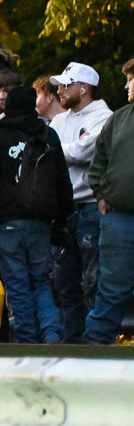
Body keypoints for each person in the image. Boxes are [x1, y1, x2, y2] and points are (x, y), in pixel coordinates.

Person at [0, 86, 70, 344]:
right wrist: (60, 220)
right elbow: (62, 181)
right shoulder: (48, 134)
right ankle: (51, 333)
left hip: (7, 221)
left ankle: (27, 342)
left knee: (17, 285)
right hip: (40, 220)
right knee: (41, 282)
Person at [51, 62, 113, 342]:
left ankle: (94, 342)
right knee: (64, 282)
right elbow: (61, 151)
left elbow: (85, 151)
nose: (59, 91)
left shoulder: (103, 117)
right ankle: (70, 342)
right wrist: (67, 151)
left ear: (84, 88)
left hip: (89, 208)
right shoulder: (59, 121)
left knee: (92, 280)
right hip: (63, 209)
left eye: (66, 85)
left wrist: (59, 151)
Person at [84, 58, 134, 344]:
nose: (126, 86)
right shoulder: (118, 119)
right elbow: (99, 161)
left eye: (130, 79)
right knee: (112, 289)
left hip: (119, 221)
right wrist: (100, 194)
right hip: (119, 219)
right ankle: (94, 351)